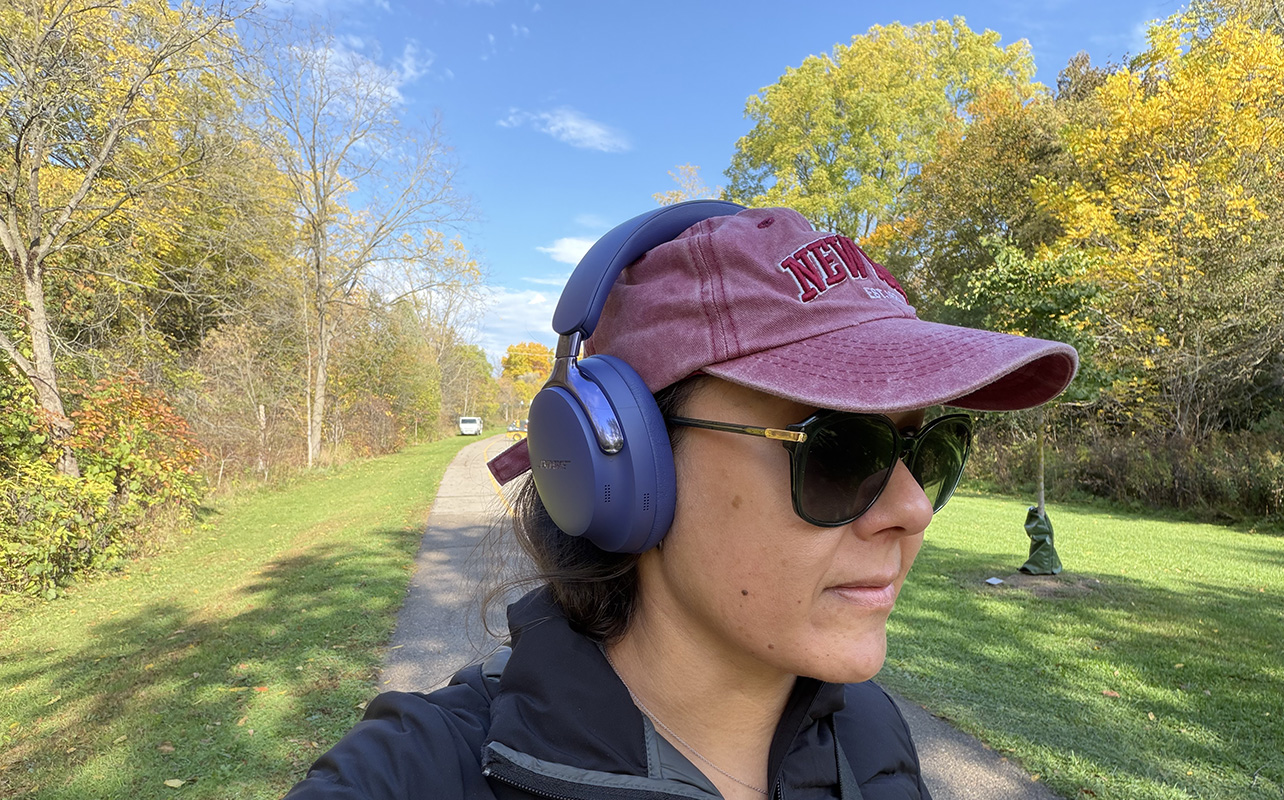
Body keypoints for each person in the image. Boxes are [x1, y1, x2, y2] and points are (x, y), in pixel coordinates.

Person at [283, 202, 1078, 800]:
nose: (914, 510)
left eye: (929, 450)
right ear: (623, 467)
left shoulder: (870, 735)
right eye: (842, 450)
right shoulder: (419, 773)